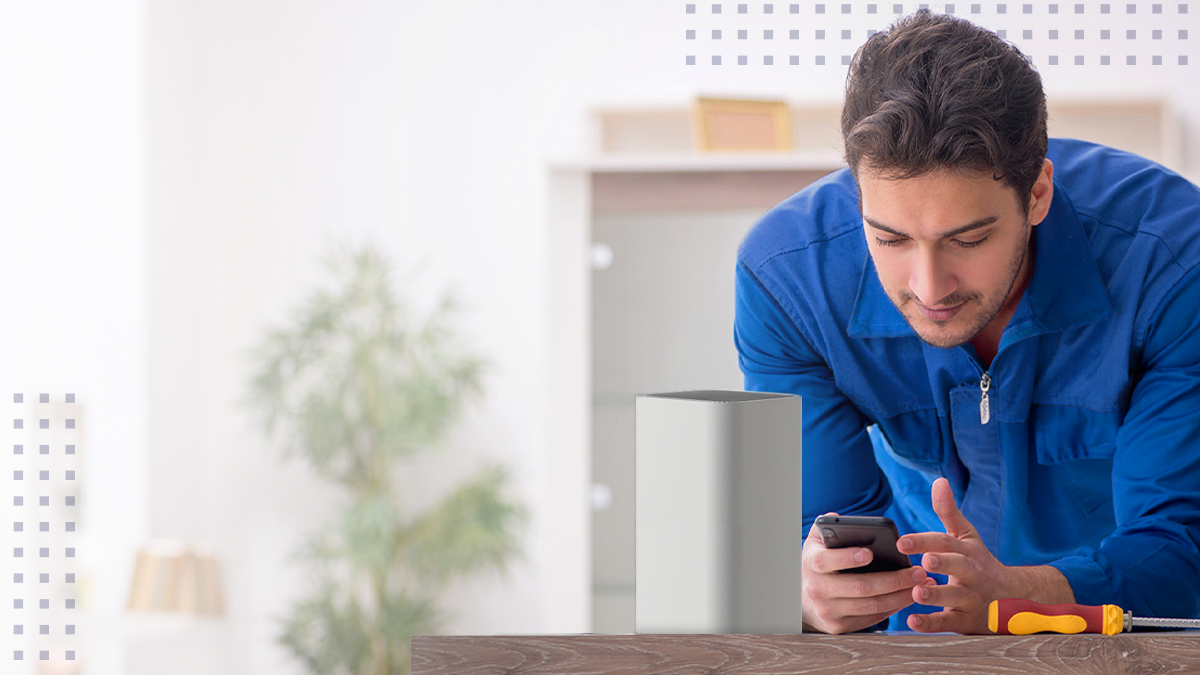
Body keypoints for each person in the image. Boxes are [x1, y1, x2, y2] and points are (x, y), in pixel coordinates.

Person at [734, 9, 1200, 635]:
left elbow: (1181, 543)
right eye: (890, 238)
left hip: (1120, 621)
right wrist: (814, 591)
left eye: (970, 239)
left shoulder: (1173, 260)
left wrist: (1020, 598)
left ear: (1037, 194)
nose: (930, 288)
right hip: (921, 625)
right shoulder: (787, 279)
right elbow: (823, 529)